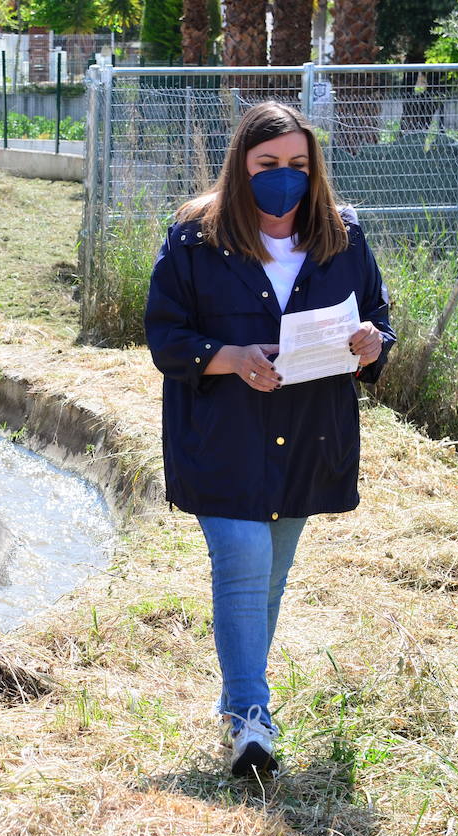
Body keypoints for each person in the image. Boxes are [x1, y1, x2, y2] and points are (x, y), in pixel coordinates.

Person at [144, 102, 396, 777]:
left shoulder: (343, 237)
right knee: (244, 561)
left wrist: (373, 343)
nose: (283, 178)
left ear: (313, 171)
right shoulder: (194, 241)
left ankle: (240, 709)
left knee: (270, 580)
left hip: (309, 435)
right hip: (223, 437)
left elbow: (376, 318)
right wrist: (232, 356)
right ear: (241, 166)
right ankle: (252, 717)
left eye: (296, 166)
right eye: (267, 166)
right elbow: (166, 339)